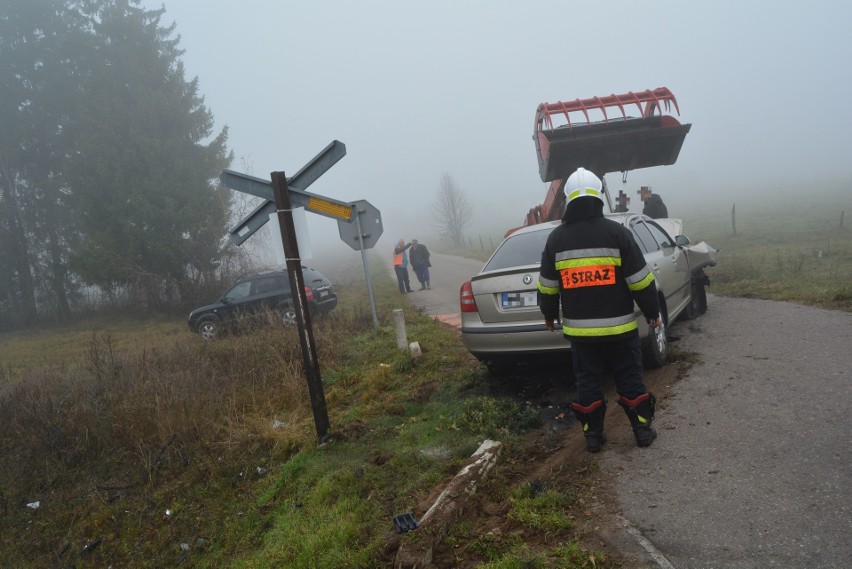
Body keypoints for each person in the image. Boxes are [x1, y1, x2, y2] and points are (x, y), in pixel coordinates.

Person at [538, 167, 663, 453]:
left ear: (568, 200)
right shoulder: (617, 233)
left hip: (581, 335)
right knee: (630, 379)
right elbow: (640, 280)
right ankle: (643, 432)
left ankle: (594, 439)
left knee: (588, 384)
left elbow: (547, 286)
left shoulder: (556, 239)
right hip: (621, 330)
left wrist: (548, 314)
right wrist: (652, 311)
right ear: (598, 198)